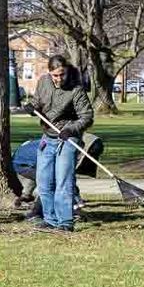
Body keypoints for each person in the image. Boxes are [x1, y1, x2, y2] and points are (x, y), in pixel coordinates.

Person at [31, 56, 94, 231]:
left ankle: (65, 222)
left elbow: (87, 116)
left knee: (63, 181)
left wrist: (72, 129)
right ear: (49, 73)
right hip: (48, 136)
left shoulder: (76, 89)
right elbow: (37, 101)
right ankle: (50, 220)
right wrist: (32, 107)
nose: (58, 79)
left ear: (67, 71)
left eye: (62, 75)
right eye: (55, 75)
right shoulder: (43, 81)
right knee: (43, 182)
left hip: (67, 138)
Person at [14, 133, 103, 219]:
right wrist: (76, 200)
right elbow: (63, 177)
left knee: (54, 180)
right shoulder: (60, 147)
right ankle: (36, 212)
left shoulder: (66, 142)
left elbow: (68, 175)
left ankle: (28, 200)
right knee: (52, 182)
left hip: (27, 160)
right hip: (23, 163)